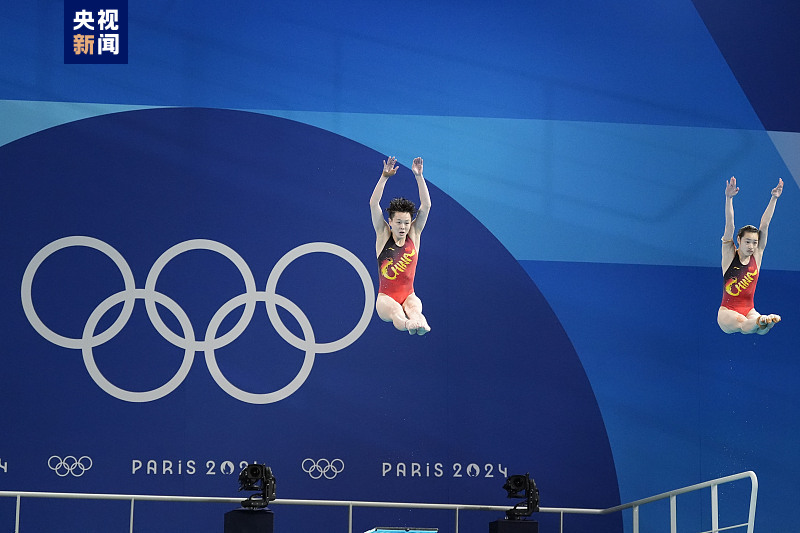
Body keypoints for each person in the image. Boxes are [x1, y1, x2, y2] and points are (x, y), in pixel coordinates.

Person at [369, 156, 432, 335]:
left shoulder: (414, 235)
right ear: (390, 222)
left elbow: (426, 206)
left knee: (414, 309)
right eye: (398, 223)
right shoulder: (383, 236)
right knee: (397, 312)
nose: (403, 227)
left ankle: (419, 324)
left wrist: (419, 177)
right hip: (385, 299)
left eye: (406, 223)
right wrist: (384, 177)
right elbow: (373, 205)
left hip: (409, 294)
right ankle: (408, 326)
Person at [717, 176, 783, 334]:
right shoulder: (729, 255)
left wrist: (774, 197)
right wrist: (728, 198)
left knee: (761, 330)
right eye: (747, 242)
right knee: (744, 324)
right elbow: (730, 225)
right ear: (739, 240)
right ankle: (762, 320)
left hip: (749, 309)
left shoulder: (757, 255)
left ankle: (766, 321)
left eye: (754, 242)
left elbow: (765, 224)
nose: (752, 246)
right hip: (727, 312)